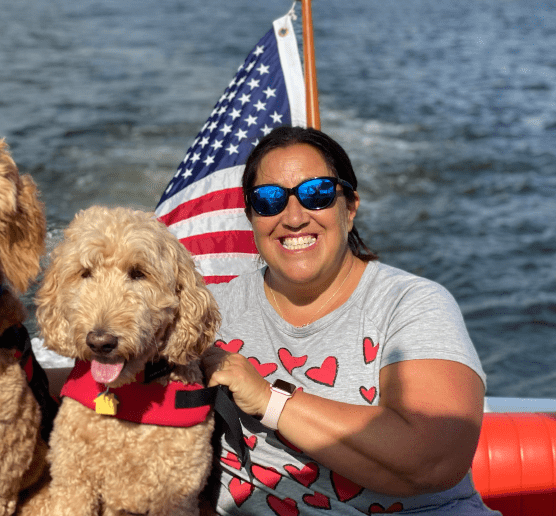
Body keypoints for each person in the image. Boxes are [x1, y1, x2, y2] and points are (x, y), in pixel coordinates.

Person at [203, 126, 498, 515]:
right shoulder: (207, 313)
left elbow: (434, 459)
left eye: (317, 193)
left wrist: (268, 400)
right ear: (251, 217)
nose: (293, 217)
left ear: (350, 205)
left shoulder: (411, 305)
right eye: (269, 199)